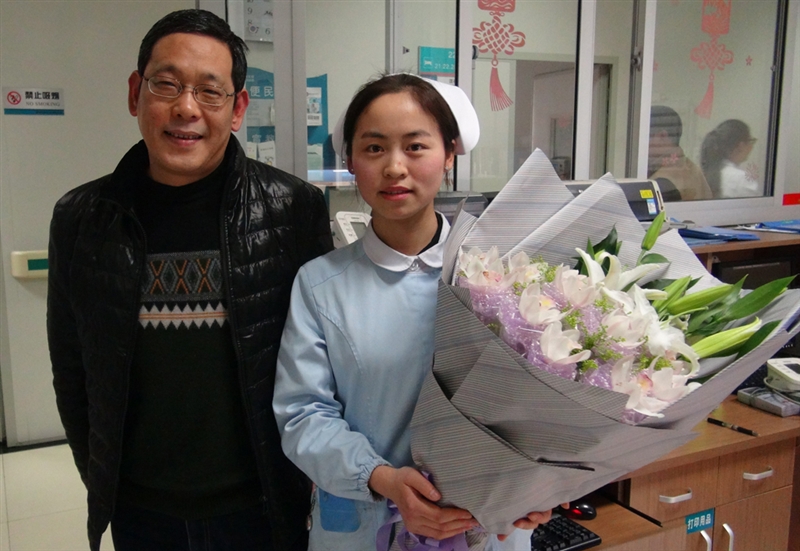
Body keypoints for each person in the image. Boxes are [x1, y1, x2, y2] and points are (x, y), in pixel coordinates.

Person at [46, 9, 333, 551]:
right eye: (167, 84)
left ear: (238, 108)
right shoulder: (82, 218)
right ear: (135, 93)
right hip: (140, 511)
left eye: (209, 91)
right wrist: (105, 482)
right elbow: (73, 368)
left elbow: (326, 362)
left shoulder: (292, 209)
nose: (186, 108)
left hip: (263, 506)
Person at [273, 73, 552, 551]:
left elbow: (543, 403)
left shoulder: (506, 275)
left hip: (487, 526)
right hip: (367, 526)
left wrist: (541, 484)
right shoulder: (320, 285)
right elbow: (303, 415)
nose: (395, 167)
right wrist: (383, 479)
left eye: (416, 146)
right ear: (351, 162)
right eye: (374, 148)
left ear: (449, 154)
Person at [647, 105, 712, 201]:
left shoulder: (661, 181)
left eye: (644, 136)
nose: (639, 145)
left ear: (662, 136)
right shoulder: (692, 169)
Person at [700, 119, 760, 198]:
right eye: (751, 141)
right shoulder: (742, 179)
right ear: (741, 146)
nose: (751, 147)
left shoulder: (702, 175)